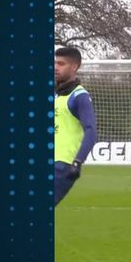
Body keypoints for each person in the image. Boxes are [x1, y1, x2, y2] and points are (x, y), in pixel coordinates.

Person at [54, 46, 97, 206]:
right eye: (55, 63)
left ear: (74, 67)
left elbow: (91, 130)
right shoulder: (56, 95)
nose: (55, 67)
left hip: (62, 164)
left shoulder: (79, 96)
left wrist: (78, 161)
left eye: (61, 64)